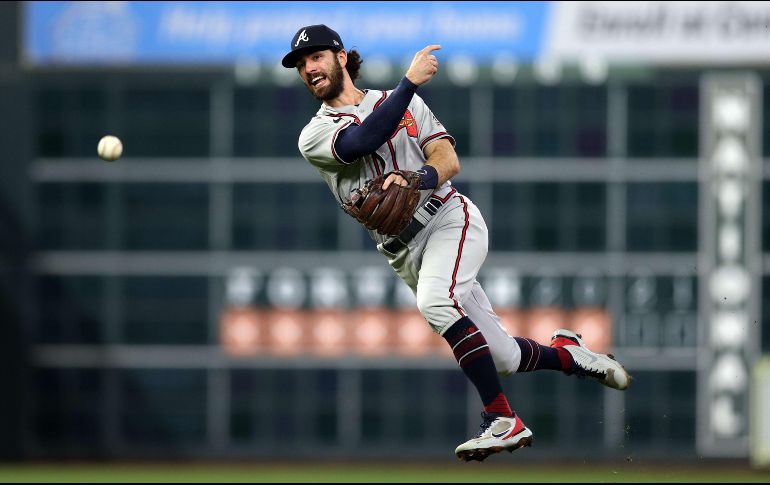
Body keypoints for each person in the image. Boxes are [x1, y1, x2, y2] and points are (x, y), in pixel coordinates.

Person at [282, 24, 631, 462]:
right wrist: (408, 83)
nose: (308, 68)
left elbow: (448, 160)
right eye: (300, 64)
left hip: (448, 218)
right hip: (402, 251)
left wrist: (418, 177)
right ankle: (570, 355)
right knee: (502, 356)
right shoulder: (313, 135)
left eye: (315, 57)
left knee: (436, 304)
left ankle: (502, 419)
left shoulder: (404, 103)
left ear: (339, 55)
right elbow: (363, 139)